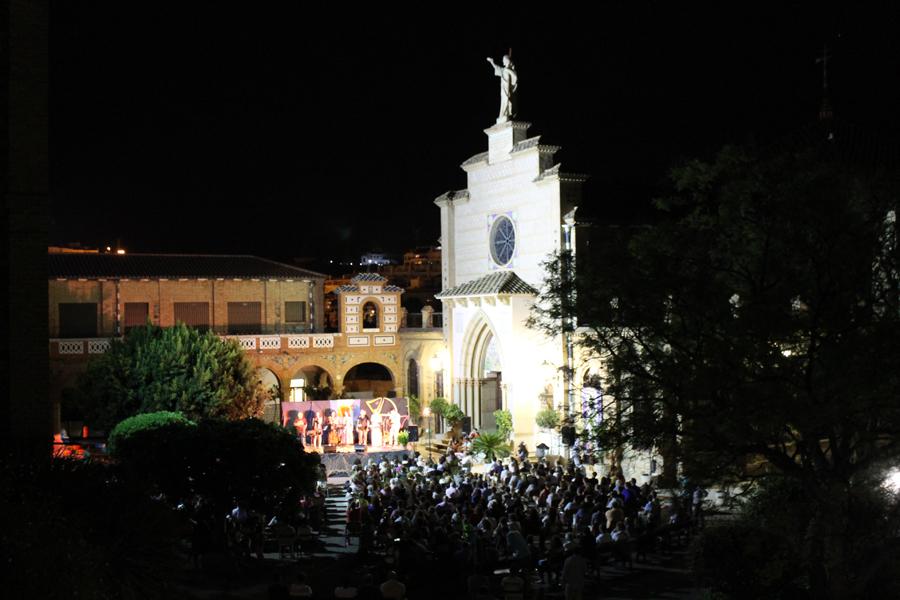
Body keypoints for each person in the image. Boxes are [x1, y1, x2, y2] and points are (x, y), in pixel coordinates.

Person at [486, 54, 518, 122]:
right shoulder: (503, 70)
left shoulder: (511, 70)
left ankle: (508, 114)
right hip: (503, 89)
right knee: (504, 100)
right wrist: (492, 62)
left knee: (508, 100)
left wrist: (508, 70)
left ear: (507, 61)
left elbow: (515, 78)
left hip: (509, 89)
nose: (503, 61)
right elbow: (496, 67)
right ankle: (503, 114)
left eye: (504, 60)